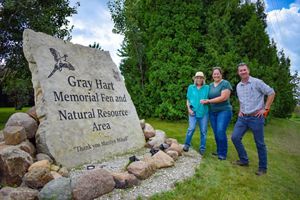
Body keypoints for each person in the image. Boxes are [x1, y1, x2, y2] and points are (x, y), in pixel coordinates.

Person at [231, 63, 275, 176]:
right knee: (235, 137)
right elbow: (241, 100)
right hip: (243, 118)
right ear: (238, 73)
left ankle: (262, 168)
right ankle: (244, 160)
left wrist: (266, 109)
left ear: (248, 71)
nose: (243, 72)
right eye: (240, 70)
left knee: (259, 143)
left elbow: (271, 93)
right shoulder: (238, 86)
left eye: (244, 70)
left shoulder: (257, 82)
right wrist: (240, 110)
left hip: (256, 117)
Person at [201, 67, 233, 160]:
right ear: (212, 75)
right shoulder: (210, 85)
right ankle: (219, 151)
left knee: (220, 131)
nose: (216, 75)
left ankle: (223, 153)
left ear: (221, 74)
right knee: (216, 132)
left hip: (224, 111)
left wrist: (209, 101)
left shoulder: (225, 83)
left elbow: (224, 97)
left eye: (217, 73)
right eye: (214, 74)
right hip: (212, 112)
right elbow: (204, 94)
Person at [183, 71, 209, 155]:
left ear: (203, 79)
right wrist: (189, 109)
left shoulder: (207, 87)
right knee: (191, 128)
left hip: (203, 112)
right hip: (192, 112)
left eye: (201, 77)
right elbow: (188, 99)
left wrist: (207, 101)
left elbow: (211, 98)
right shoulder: (191, 87)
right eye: (197, 77)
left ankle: (202, 148)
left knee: (203, 131)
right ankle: (187, 144)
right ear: (195, 79)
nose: (199, 79)